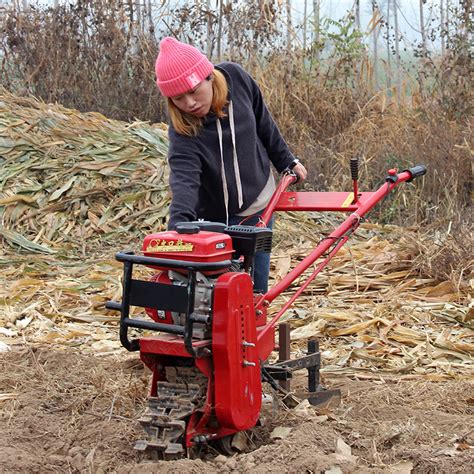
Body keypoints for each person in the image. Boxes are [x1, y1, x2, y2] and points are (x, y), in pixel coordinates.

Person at [154, 37, 307, 293]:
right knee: (213, 291)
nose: (189, 103)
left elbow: (263, 121)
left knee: (253, 290)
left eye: (193, 91)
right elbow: (184, 180)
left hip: (257, 205)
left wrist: (287, 161)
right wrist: (178, 231)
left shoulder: (237, 78)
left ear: (208, 77)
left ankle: (255, 326)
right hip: (212, 221)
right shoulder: (184, 130)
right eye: (179, 98)